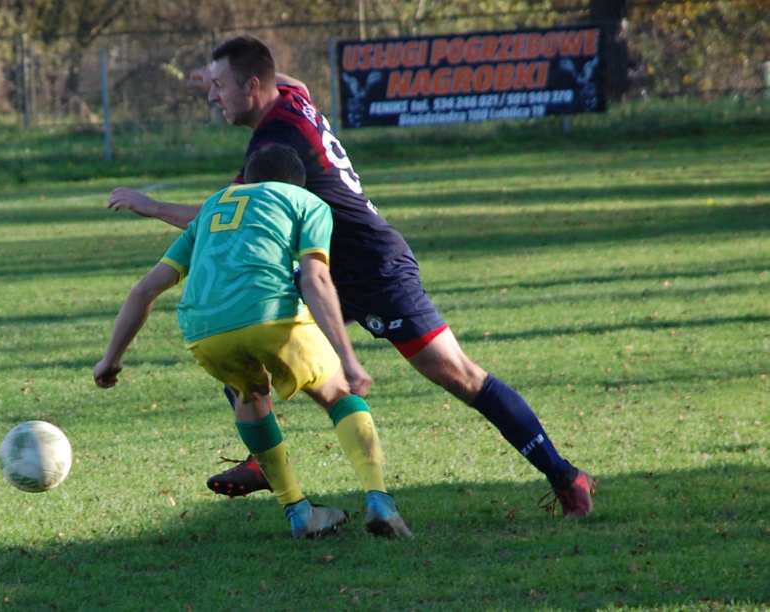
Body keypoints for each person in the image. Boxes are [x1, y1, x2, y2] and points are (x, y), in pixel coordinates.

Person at [107, 35, 595, 518]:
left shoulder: (278, 140)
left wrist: (148, 206)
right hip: (319, 271)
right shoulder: (291, 99)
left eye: (219, 87)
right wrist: (216, 75)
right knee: (244, 332)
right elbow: (290, 80)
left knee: (460, 376)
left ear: (253, 87)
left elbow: (225, 217)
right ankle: (262, 458)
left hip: (372, 268)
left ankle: (564, 475)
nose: (212, 97)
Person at [94, 144, 411, 539]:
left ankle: (298, 511)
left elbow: (144, 290)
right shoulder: (306, 202)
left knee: (249, 396)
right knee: (339, 393)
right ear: (296, 183)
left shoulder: (213, 207)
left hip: (204, 331)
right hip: (268, 316)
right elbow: (315, 279)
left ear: (247, 181)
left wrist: (111, 359)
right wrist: (348, 356)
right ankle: (379, 500)